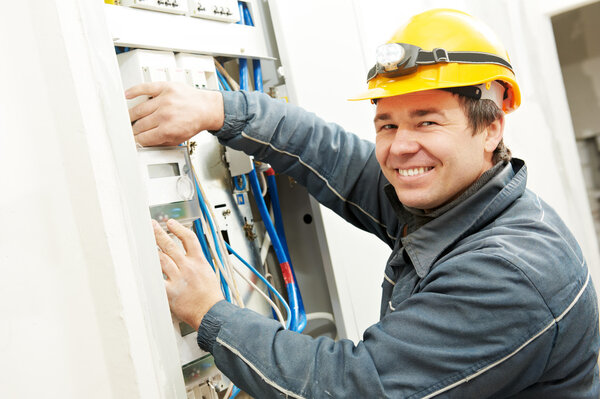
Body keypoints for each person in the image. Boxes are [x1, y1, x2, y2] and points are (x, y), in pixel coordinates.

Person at [127, 9, 599, 398]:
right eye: (387, 124)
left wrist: (209, 310)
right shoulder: (462, 201)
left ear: (491, 128)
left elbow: (351, 388)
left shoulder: (508, 271)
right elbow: (335, 157)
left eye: (427, 122)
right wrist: (218, 109)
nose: (399, 147)